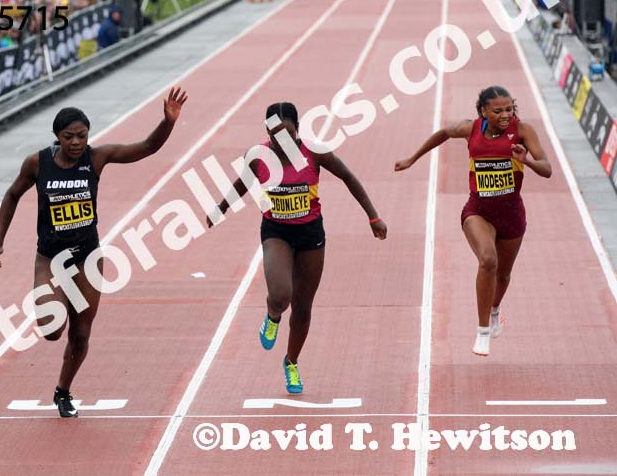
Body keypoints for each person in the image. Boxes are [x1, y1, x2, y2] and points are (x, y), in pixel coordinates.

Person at [0, 87, 188, 417]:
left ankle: (63, 391)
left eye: (81, 136)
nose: (76, 143)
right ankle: (56, 301)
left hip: (87, 259)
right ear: (57, 137)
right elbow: (11, 196)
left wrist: (167, 123)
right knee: (52, 329)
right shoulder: (38, 163)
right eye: (69, 137)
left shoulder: (96, 157)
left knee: (80, 335)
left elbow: (147, 148)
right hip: (50, 258)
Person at [208, 103, 387, 393]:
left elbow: (348, 177)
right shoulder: (258, 156)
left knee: (303, 308)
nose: (282, 140)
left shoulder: (314, 153)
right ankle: (273, 315)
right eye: (275, 134)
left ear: (298, 130)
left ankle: (291, 362)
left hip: (310, 234)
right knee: (281, 296)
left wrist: (373, 216)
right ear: (267, 132)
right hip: (276, 231)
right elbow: (243, 183)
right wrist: (221, 207)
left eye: (288, 133)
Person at [394, 86, 552, 356]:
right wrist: (412, 158)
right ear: (483, 111)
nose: (505, 115)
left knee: (503, 275)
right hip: (478, 211)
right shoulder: (471, 129)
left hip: (512, 215)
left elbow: (547, 169)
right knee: (488, 260)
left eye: (509, 109)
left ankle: (494, 311)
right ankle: (482, 332)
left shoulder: (523, 131)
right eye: (498, 110)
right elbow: (443, 133)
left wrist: (525, 160)